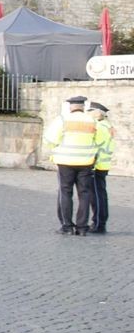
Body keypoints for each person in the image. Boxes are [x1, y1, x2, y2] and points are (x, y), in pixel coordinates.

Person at [43, 95, 109, 236]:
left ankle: (67, 226)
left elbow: (50, 139)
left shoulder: (62, 120)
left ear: (71, 106)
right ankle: (82, 227)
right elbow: (101, 140)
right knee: (84, 194)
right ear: (83, 107)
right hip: (86, 162)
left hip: (65, 162)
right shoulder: (92, 121)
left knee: (65, 193)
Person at [89, 102, 114, 234]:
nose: (89, 114)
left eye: (91, 111)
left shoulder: (99, 126)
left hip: (96, 165)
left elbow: (95, 146)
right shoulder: (107, 125)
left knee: (97, 196)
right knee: (100, 194)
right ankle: (99, 222)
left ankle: (98, 224)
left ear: (97, 113)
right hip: (103, 164)